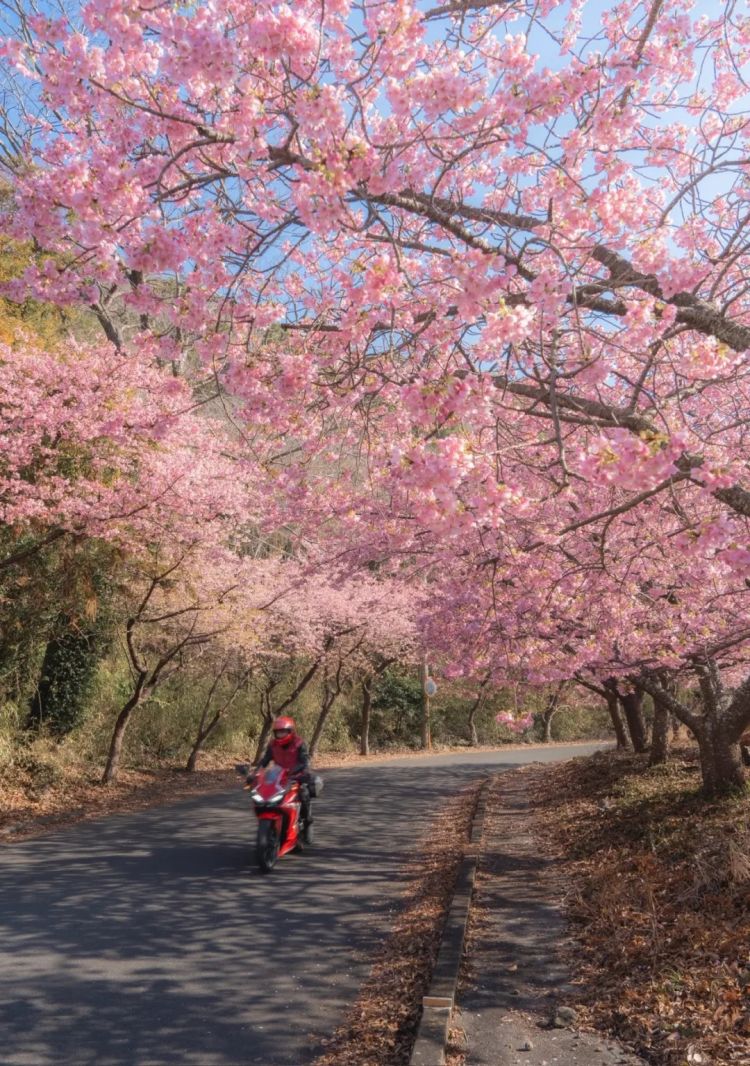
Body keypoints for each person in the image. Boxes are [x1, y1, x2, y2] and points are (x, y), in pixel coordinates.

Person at [255, 716, 313, 827]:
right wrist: (256, 771)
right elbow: (265, 760)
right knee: (265, 793)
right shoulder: (272, 745)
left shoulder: (299, 743)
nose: (280, 735)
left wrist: (305, 769)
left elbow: (305, 759)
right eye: (278, 732)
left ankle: (306, 818)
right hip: (278, 775)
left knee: (303, 792)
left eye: (283, 732)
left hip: (296, 775)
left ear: (290, 731)